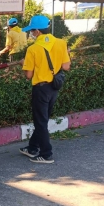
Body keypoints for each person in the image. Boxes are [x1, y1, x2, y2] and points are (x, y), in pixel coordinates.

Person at [19, 15, 71, 164]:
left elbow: (28, 75)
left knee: (40, 122)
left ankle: (46, 154)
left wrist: (24, 64)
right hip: (54, 87)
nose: (32, 34)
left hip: (40, 89)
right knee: (43, 119)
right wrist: (65, 53)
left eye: (32, 31)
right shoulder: (61, 43)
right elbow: (66, 66)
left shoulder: (33, 49)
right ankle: (32, 148)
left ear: (37, 31)